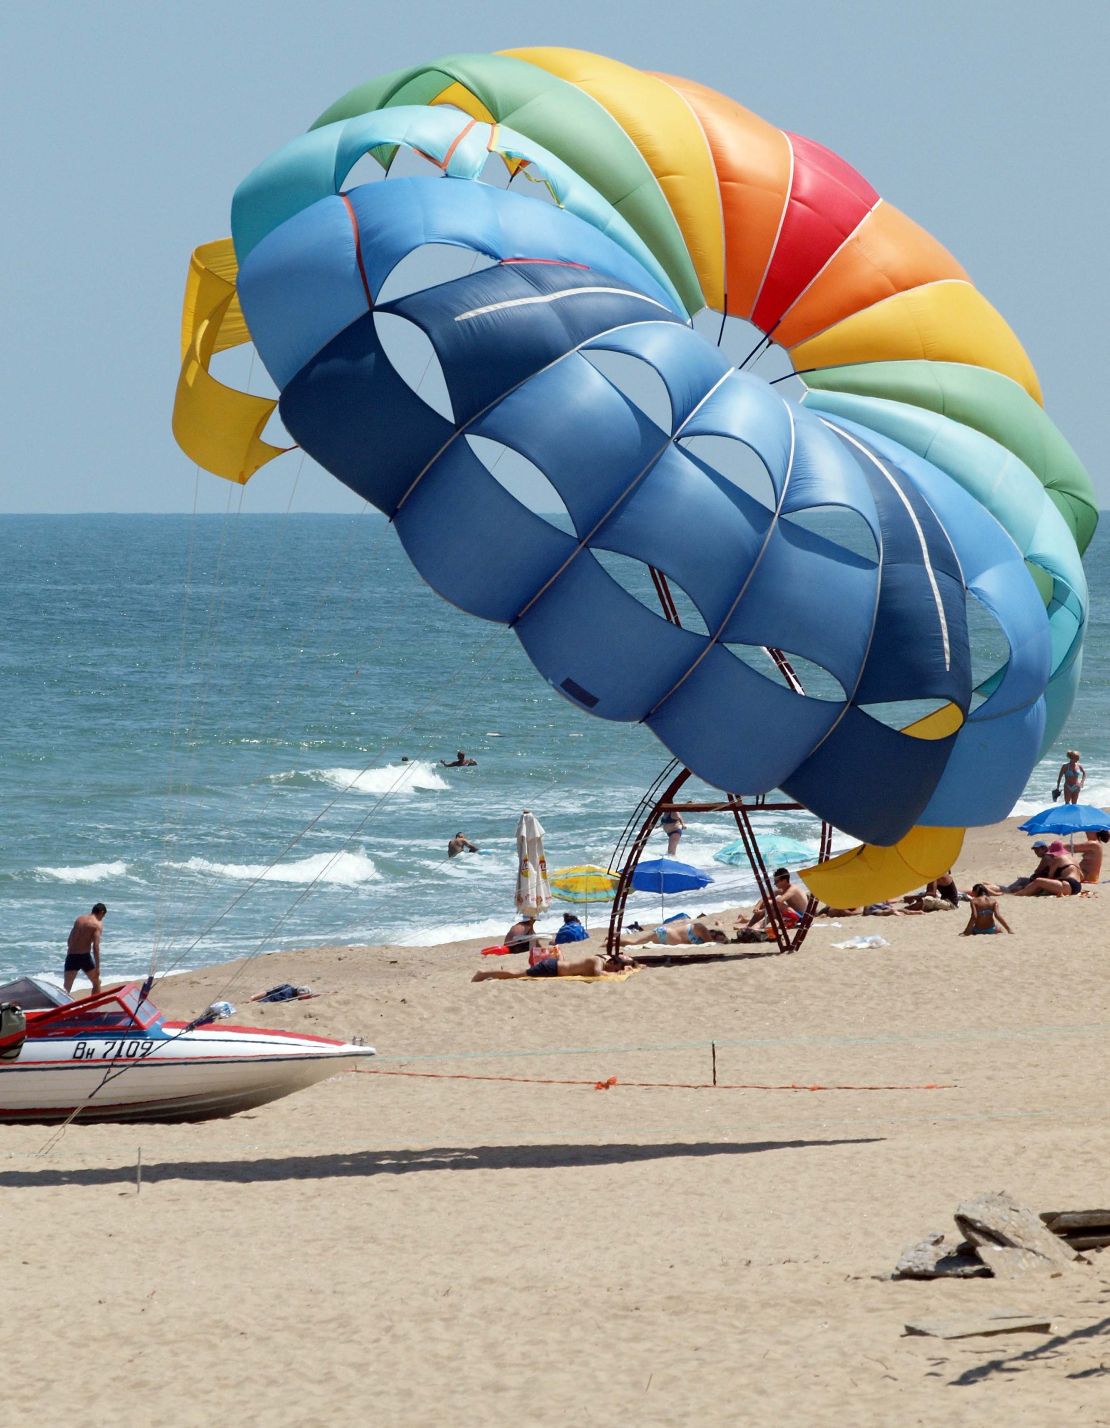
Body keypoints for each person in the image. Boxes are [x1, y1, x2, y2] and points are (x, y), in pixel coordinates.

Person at [473, 950, 638, 981]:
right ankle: (483, 973)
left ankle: (487, 973)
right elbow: (597, 974)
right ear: (611, 962)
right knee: (518, 974)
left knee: (518, 973)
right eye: (614, 968)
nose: (613, 971)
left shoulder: (606, 959)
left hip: (553, 967)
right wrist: (615, 975)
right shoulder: (597, 961)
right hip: (551, 968)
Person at [741, 868, 809, 931]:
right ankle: (750, 925)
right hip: (791, 916)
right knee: (770, 906)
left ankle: (757, 926)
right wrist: (757, 907)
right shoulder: (782, 890)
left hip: (802, 918)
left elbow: (779, 901)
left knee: (774, 904)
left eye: (776, 881)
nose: (775, 884)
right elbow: (765, 898)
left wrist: (763, 910)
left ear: (784, 881)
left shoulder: (793, 889)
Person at [1009, 840, 1083, 897]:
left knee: (1038, 881)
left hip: (1066, 886)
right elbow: (1082, 876)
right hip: (1078, 887)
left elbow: (1050, 877)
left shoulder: (1058, 859)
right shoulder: (1073, 859)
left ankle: (1018, 894)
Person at [64, 902, 106, 994]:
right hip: (84, 957)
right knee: (97, 982)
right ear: (101, 912)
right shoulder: (97, 925)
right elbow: (96, 947)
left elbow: (69, 940)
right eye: (103, 916)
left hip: (71, 956)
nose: (102, 919)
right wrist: (98, 967)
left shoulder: (79, 919)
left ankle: (60, 1007)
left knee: (66, 988)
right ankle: (94, 1006)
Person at [620, 919, 728, 947]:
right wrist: (726, 941)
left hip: (666, 939)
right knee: (634, 943)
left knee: (635, 943)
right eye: (721, 938)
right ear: (716, 934)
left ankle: (612, 941)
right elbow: (712, 944)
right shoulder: (702, 929)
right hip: (665, 934)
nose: (721, 941)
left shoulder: (702, 938)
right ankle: (610, 942)